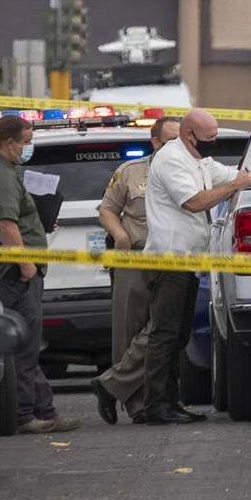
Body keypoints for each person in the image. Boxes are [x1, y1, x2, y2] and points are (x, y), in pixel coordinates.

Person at [141, 109, 251, 425]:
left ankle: (169, 402)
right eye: (209, 137)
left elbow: (233, 174)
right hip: (170, 260)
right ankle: (156, 405)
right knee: (165, 334)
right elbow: (195, 201)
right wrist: (238, 184)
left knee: (178, 336)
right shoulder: (172, 160)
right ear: (189, 135)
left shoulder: (199, 159)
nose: (214, 142)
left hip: (189, 262)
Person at [0, 115, 80, 434]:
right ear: (9, 142)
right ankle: (25, 415)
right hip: (12, 275)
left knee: (25, 347)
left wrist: (37, 222)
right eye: (26, 142)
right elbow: (5, 224)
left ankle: (44, 409)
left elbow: (12, 217)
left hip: (8, 273)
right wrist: (26, 263)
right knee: (24, 347)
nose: (29, 147)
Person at [91, 116, 180, 425]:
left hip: (173, 259)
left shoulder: (190, 170)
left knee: (163, 328)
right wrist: (120, 236)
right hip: (135, 257)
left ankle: (111, 385)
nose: (177, 147)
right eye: (170, 141)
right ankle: (137, 405)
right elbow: (107, 210)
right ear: (155, 142)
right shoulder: (130, 171)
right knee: (129, 331)